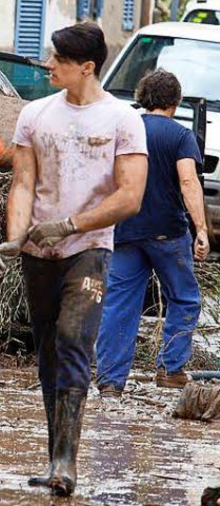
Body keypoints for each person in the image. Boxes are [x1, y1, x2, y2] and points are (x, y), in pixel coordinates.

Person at [0, 22, 147, 497]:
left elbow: (130, 196)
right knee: (48, 354)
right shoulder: (36, 114)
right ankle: (54, 455)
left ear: (87, 67)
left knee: (73, 339)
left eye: (57, 59)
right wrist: (13, 238)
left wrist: (73, 225)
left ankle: (67, 462)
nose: (48, 65)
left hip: (90, 250)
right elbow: (22, 183)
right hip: (39, 252)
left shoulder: (123, 120)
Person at [96, 69, 208, 396]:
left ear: (143, 96)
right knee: (185, 298)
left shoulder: (125, 130)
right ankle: (171, 370)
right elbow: (188, 182)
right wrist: (200, 229)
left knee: (119, 304)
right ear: (175, 101)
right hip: (168, 234)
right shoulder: (180, 136)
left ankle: (110, 382)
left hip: (125, 230)